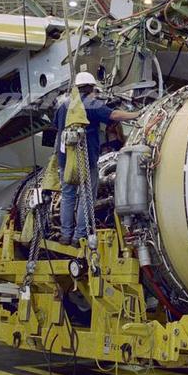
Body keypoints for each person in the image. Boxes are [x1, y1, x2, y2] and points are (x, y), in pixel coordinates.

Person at [54, 72, 141, 245]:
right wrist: (138, 114)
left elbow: (56, 126)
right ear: (91, 88)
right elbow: (113, 115)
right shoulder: (90, 104)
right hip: (85, 160)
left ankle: (65, 235)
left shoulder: (63, 105)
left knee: (68, 195)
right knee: (86, 196)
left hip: (65, 160)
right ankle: (79, 236)